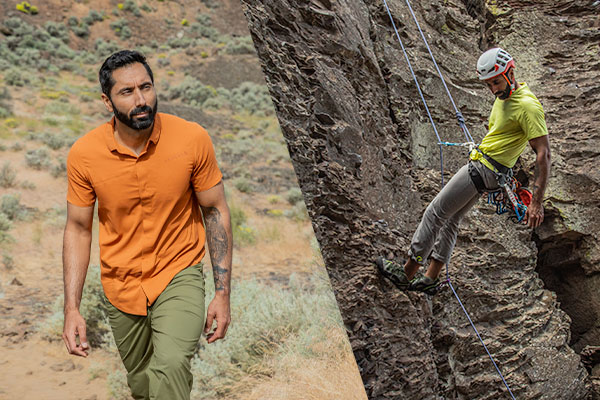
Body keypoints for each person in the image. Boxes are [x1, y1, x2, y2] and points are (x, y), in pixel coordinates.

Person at [62, 50, 232, 400]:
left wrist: (222, 293)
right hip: (120, 286)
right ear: (107, 102)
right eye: (127, 92)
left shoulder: (191, 138)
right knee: (142, 386)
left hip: (178, 272)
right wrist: (72, 309)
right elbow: (78, 229)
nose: (141, 100)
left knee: (169, 366)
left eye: (146, 87)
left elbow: (214, 211)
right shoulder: (84, 154)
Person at [377, 47, 551, 295]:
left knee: (435, 212)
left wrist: (536, 203)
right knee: (452, 220)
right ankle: (431, 277)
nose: (493, 90)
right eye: (489, 85)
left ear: (510, 73)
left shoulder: (528, 106)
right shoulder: (505, 98)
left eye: (496, 82)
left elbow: (543, 154)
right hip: (491, 171)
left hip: (484, 168)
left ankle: (406, 273)